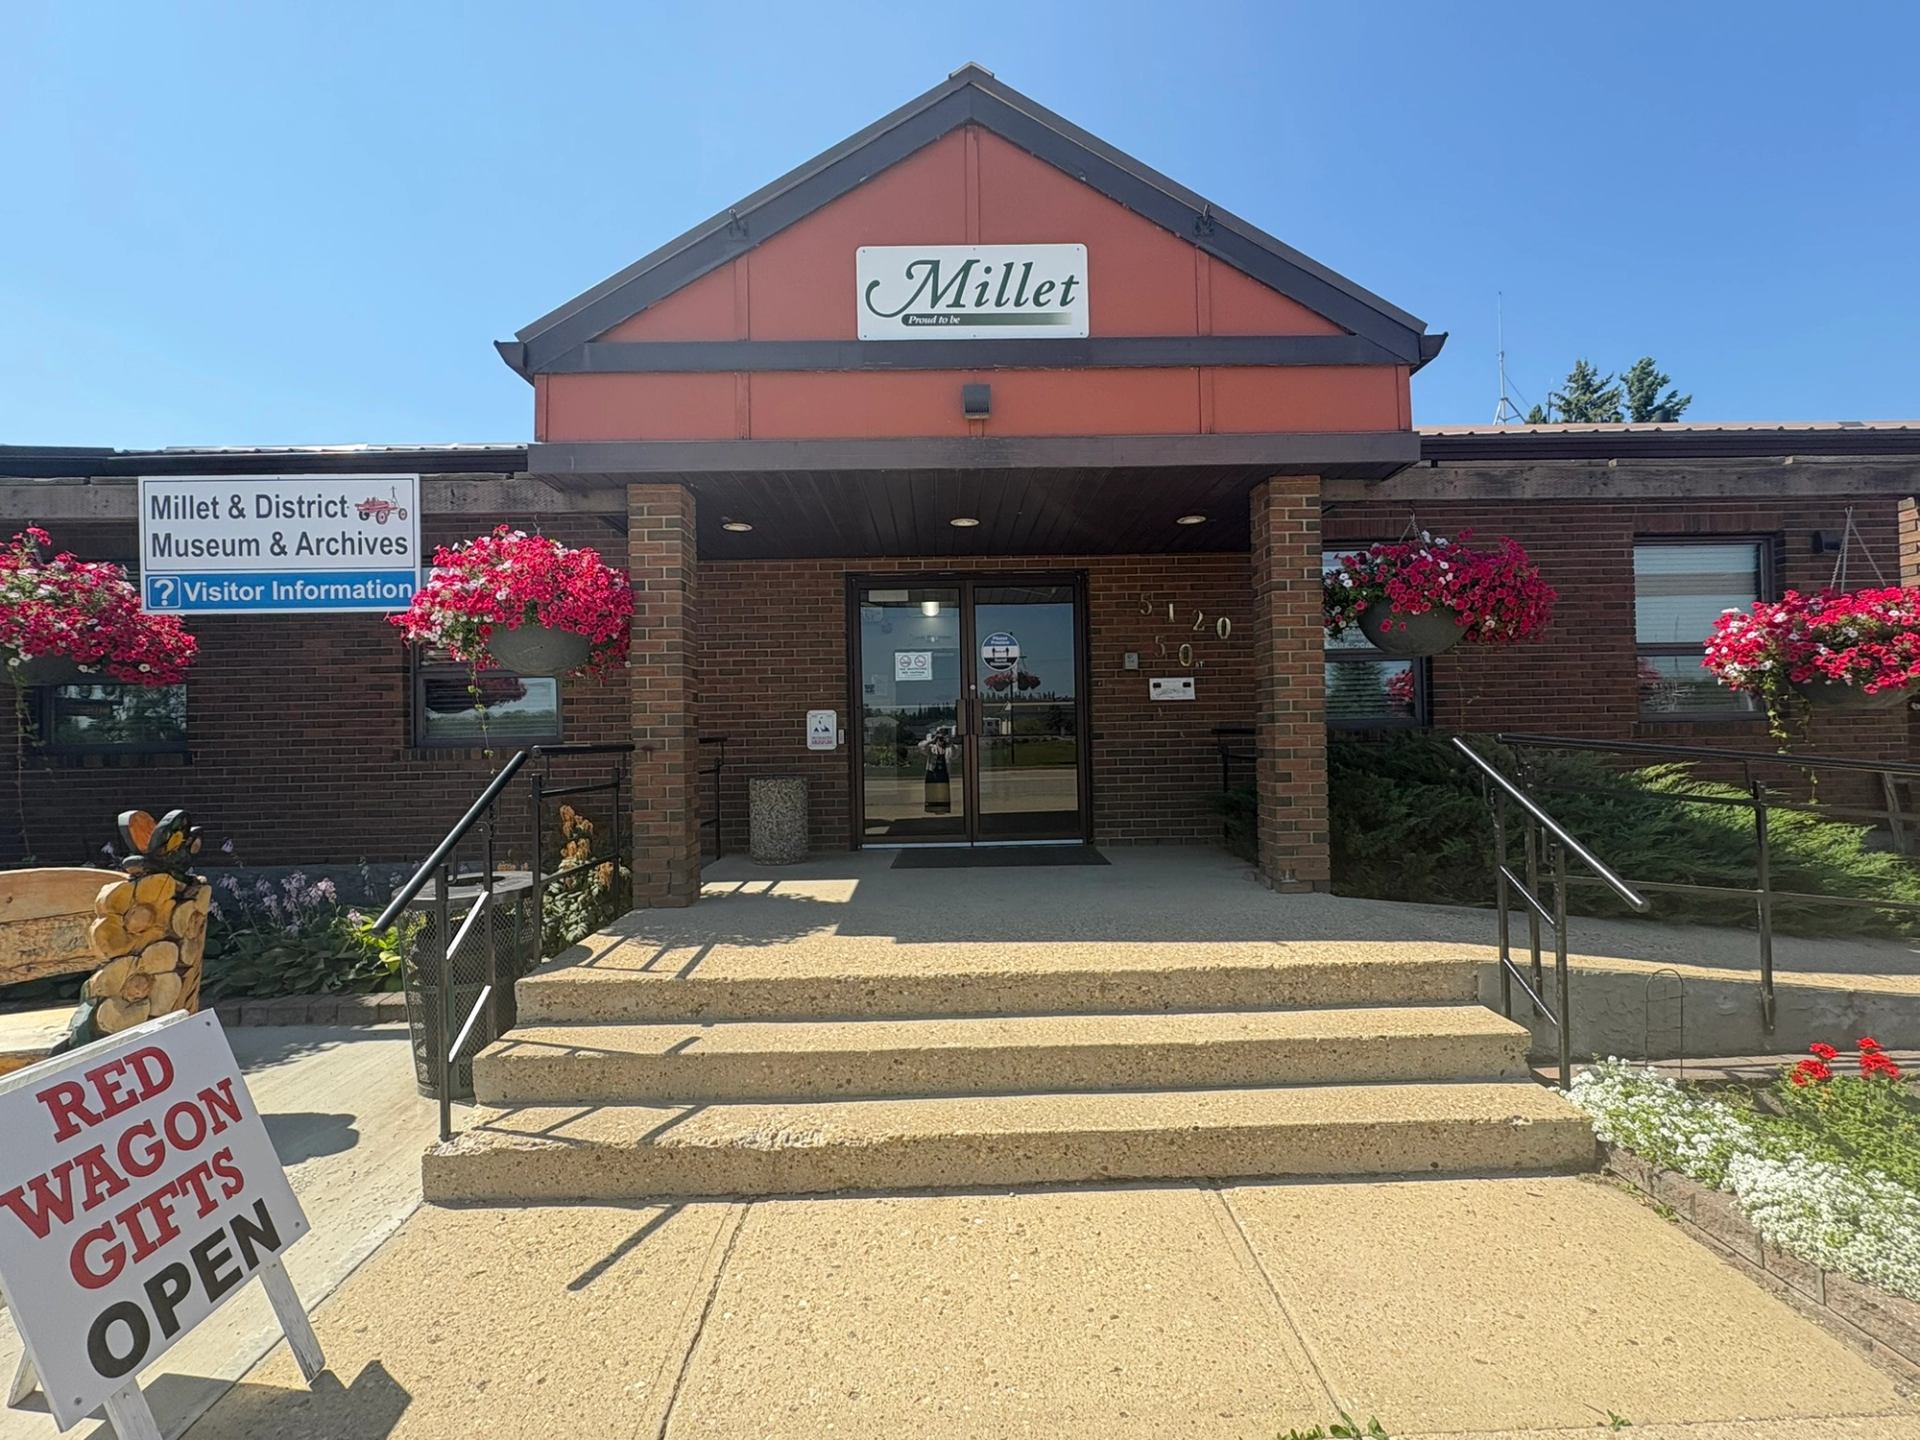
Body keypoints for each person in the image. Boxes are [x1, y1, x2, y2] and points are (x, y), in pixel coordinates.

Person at [918, 726, 956, 813]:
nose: (941, 740)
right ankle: (931, 808)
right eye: (940, 738)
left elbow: (955, 754)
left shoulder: (948, 748)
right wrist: (932, 740)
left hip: (943, 772)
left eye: (943, 738)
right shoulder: (932, 747)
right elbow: (921, 746)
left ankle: (944, 808)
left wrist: (951, 744)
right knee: (932, 791)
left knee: (943, 791)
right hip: (932, 772)